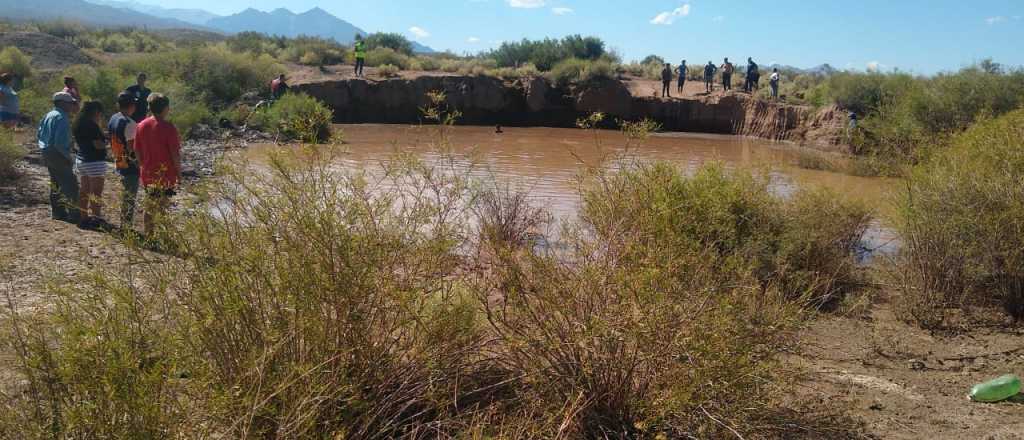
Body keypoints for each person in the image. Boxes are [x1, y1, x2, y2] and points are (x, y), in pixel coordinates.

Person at [134, 93, 180, 236]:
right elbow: (175, 154)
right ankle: (163, 236)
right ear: (165, 108)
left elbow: (136, 150)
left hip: (148, 173)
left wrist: (143, 166)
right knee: (163, 206)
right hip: (165, 175)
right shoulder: (169, 128)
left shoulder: (141, 125)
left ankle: (149, 236)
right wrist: (179, 174)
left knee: (150, 205)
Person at [37, 92, 80, 224]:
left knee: (56, 183)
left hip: (46, 151)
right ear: (62, 103)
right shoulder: (62, 118)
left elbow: (39, 133)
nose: (72, 106)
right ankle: (75, 214)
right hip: (57, 153)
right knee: (70, 185)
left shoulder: (49, 115)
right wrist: (69, 157)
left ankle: (58, 212)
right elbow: (59, 143)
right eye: (70, 103)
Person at [74, 101, 109, 229]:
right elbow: (97, 145)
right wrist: (108, 145)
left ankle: (83, 217)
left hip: (81, 159)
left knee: (84, 191)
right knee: (96, 193)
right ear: (96, 112)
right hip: (94, 162)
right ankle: (96, 219)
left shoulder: (78, 123)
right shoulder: (92, 125)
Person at [109, 92, 140, 228]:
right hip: (129, 165)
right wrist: (139, 164)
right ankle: (126, 227)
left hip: (118, 160)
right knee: (129, 197)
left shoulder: (114, 118)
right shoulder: (130, 123)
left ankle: (124, 224)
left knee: (125, 194)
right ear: (132, 106)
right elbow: (131, 149)